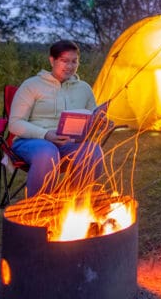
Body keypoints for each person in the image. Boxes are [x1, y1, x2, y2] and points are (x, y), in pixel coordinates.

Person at [8, 40, 104, 197]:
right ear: (52, 60)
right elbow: (14, 124)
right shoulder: (32, 85)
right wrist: (45, 135)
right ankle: (37, 209)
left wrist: (100, 122)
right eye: (64, 61)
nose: (70, 66)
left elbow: (91, 117)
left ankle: (76, 205)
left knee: (92, 151)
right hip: (32, 142)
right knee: (48, 151)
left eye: (74, 61)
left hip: (69, 143)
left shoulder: (84, 88)